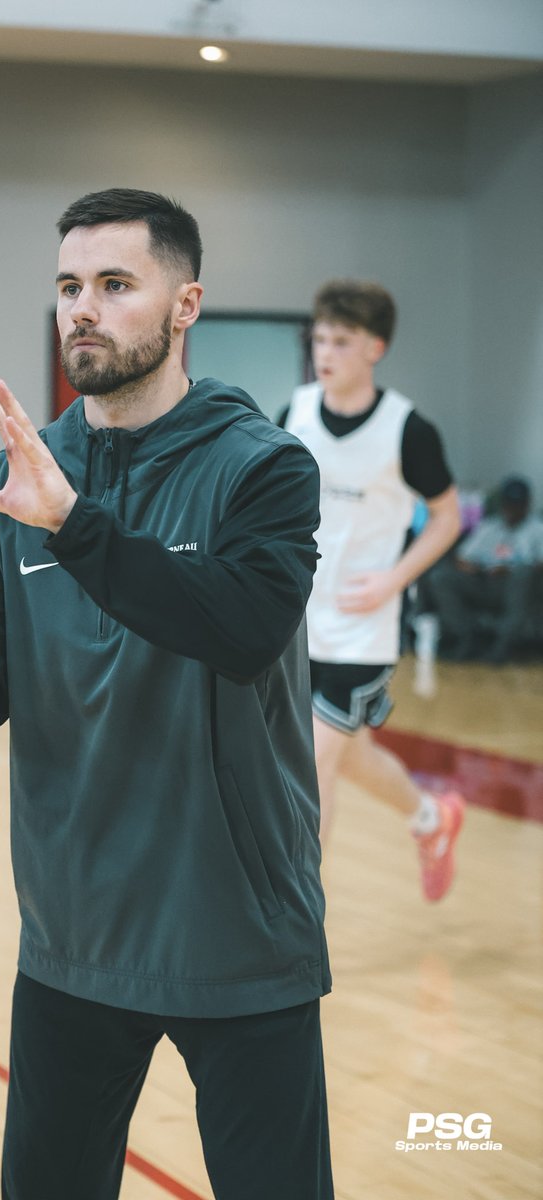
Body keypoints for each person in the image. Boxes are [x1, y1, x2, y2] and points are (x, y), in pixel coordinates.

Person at [0, 188, 333, 1200]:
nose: (82, 307)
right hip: (73, 934)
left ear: (184, 305)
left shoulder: (261, 468)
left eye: (115, 285)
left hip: (236, 929)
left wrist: (77, 528)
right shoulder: (17, 474)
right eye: (68, 286)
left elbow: (241, 630)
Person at [277, 280, 464, 901]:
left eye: (342, 340)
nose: (325, 352)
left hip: (365, 630)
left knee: (315, 761)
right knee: (349, 757)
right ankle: (432, 817)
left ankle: (298, 916)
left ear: (375, 347)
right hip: (300, 621)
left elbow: (448, 518)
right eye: (320, 339)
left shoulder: (408, 429)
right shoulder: (294, 412)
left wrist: (393, 579)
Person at [427, 475, 543, 663]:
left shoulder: (537, 529)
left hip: (518, 586)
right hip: (485, 581)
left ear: (527, 504)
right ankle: (466, 637)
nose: (512, 508)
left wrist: (511, 569)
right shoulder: (489, 527)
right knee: (441, 576)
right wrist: (480, 569)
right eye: (509, 503)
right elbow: (462, 558)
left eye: (517, 504)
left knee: (523, 575)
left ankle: (503, 645)